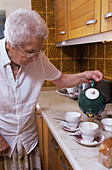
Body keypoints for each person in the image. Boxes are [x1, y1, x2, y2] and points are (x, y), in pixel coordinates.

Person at [0, 8, 103, 170]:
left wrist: (84, 75)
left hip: (28, 141)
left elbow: (60, 79)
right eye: (30, 52)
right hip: (3, 145)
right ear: (11, 44)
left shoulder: (38, 58)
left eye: (39, 50)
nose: (36, 58)